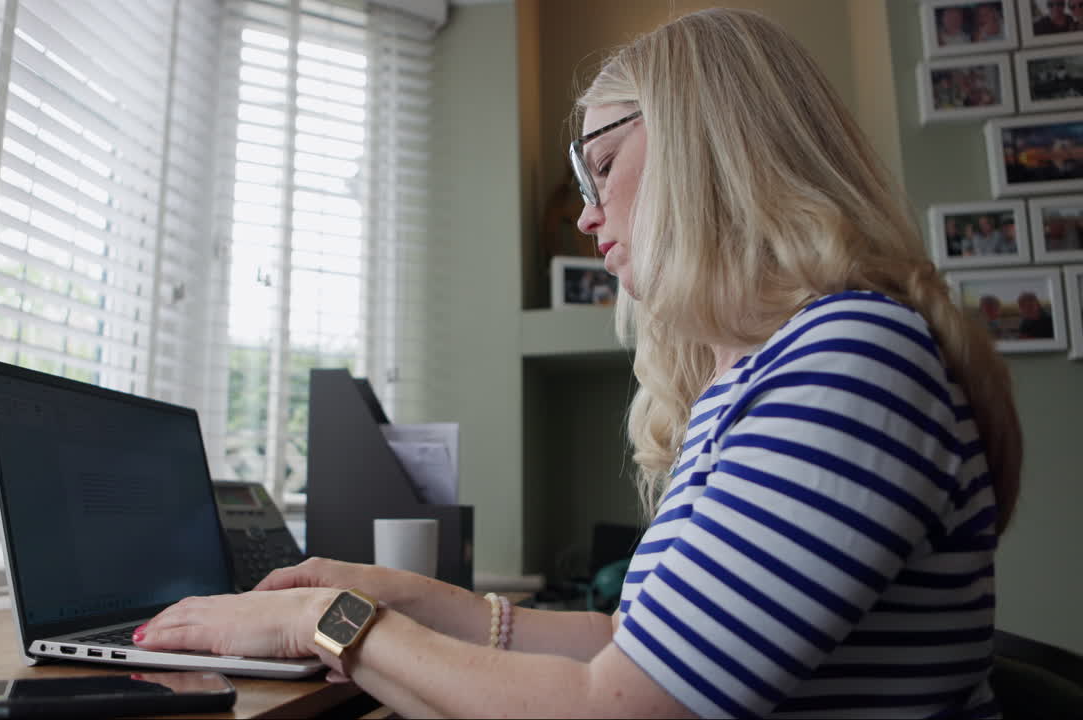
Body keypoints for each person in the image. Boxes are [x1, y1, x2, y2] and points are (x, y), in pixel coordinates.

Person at [131, 9, 1022, 717]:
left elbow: (617, 709)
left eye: (602, 165)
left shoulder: (848, 362)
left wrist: (316, 624)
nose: (588, 213)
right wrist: (397, 596)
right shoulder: (758, 375)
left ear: (706, 150)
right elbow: (633, 650)